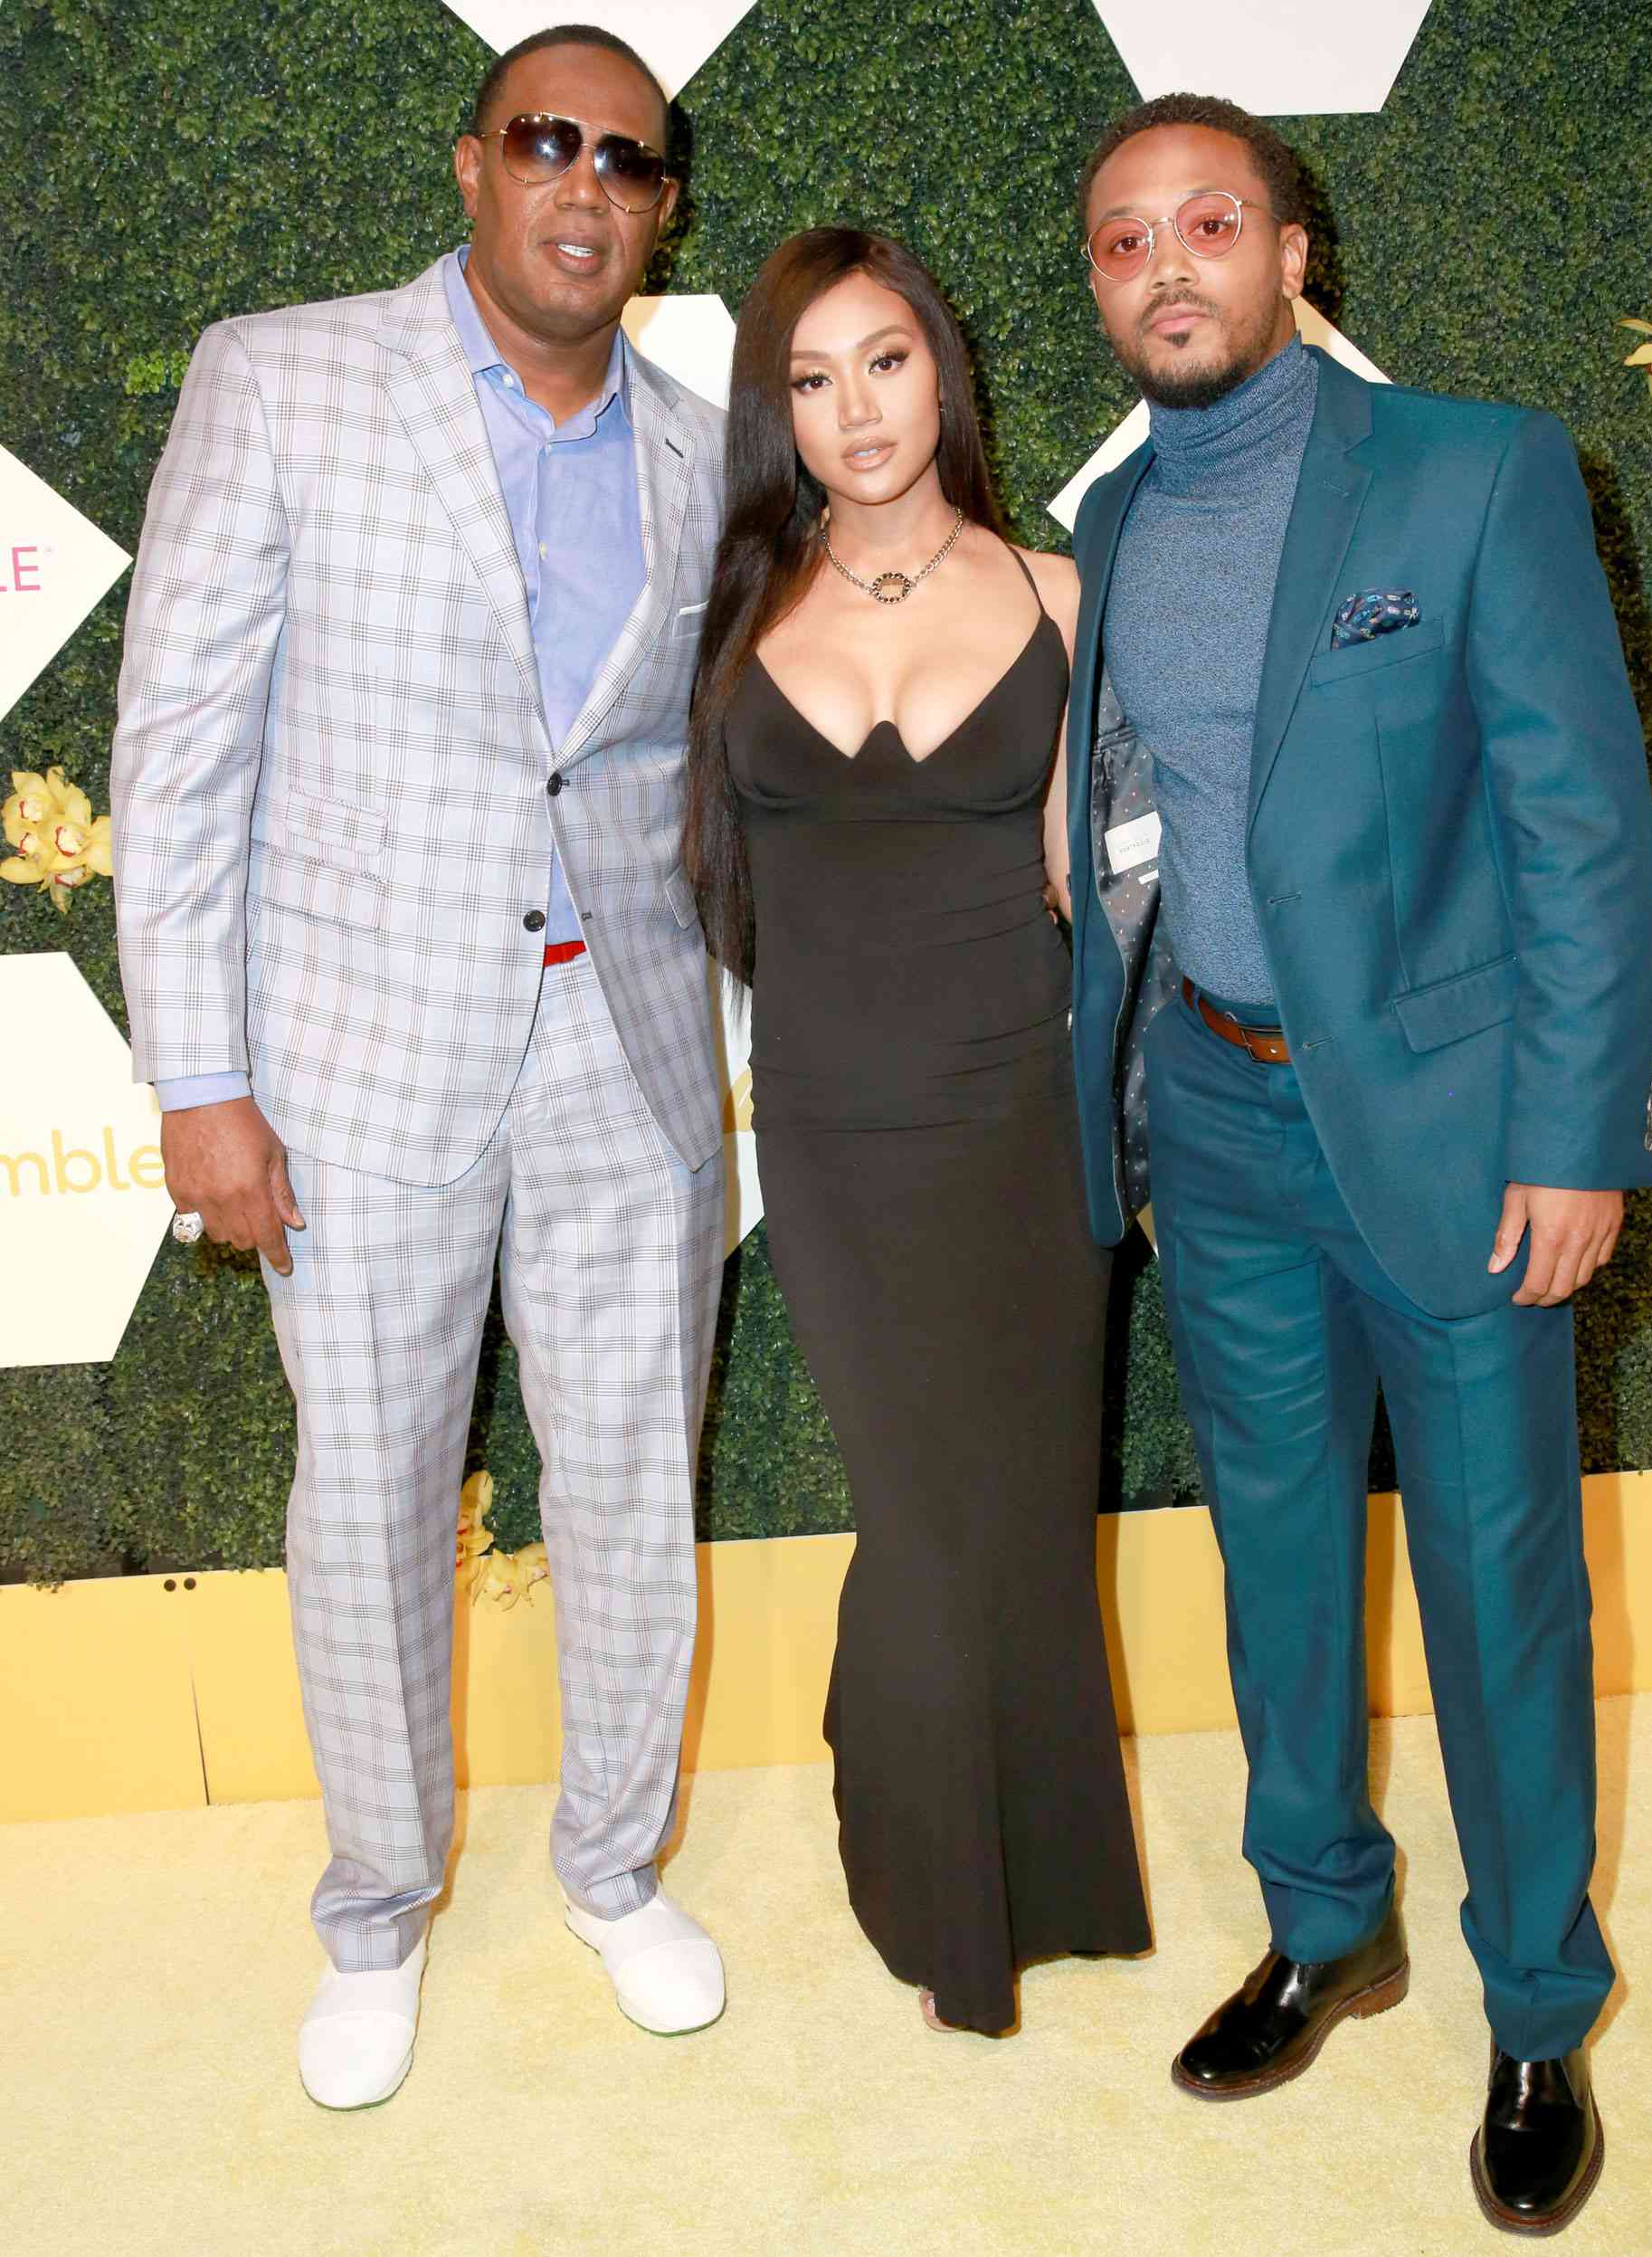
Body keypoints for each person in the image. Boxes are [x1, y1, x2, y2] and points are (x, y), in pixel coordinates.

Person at [111, 25, 730, 2108]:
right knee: (366, 1498)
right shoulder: (280, 375)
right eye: (547, 141)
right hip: (355, 1065)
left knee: (636, 1476)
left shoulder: (701, 442)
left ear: (659, 206)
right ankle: (377, 1903)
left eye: (628, 160)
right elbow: (179, 753)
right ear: (474, 166)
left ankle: (615, 1863)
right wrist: (199, 1079)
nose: (586, 182)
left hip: (628, 1057)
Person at [1064, 94, 1652, 2233]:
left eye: (1206, 222)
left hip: (1451, 1133)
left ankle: (1533, 2006)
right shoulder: (1118, 520)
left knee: (1502, 1588)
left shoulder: (1477, 467)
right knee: (1277, 1561)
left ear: (1292, 250)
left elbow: (1581, 826)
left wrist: (1578, 1133)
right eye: (1124, 240)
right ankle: (1330, 1921)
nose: (1166, 265)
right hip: (1213, 1119)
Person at [684, 228, 1151, 2035]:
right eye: (808, 378)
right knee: (915, 1508)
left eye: (883, 361)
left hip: (1019, 1127)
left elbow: (1091, 880)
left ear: (940, 370)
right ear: (773, 411)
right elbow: (707, 882)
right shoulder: (732, 608)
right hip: (826, 1128)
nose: (854, 409)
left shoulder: (1052, 595)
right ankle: (929, 1865)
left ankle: (1049, 1872)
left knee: (1019, 1505)